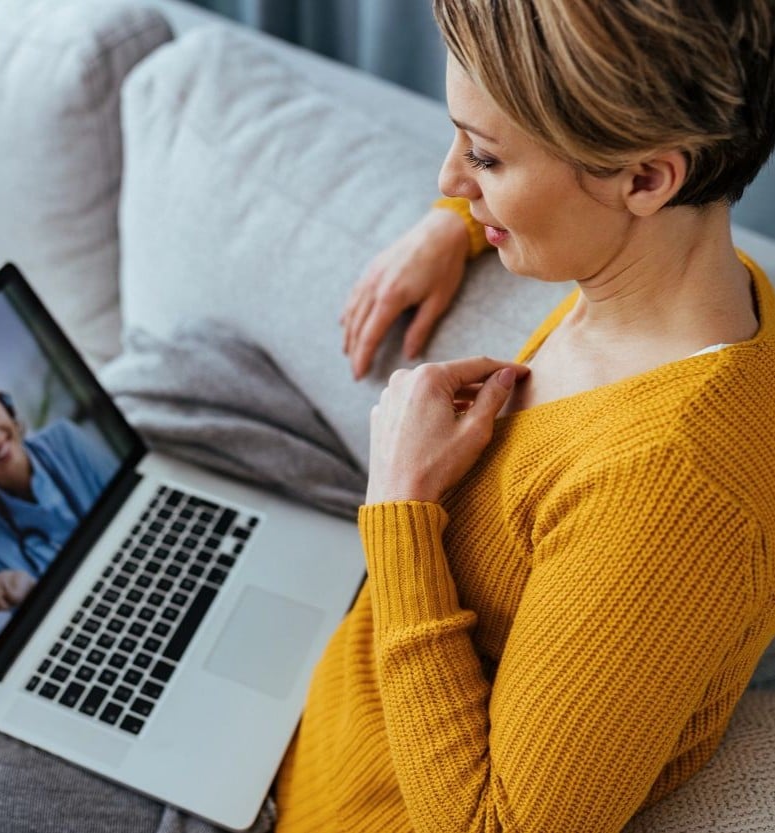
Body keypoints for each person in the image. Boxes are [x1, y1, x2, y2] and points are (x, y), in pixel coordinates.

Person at [277, 1, 775, 832]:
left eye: (482, 156)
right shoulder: (709, 283)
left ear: (647, 179)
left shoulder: (668, 496)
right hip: (301, 735)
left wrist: (399, 508)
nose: (448, 179)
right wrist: (457, 227)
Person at [0, 361, 119, 612]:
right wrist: (28, 591)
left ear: (5, 405)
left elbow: (131, 505)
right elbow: (51, 623)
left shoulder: (65, 440)